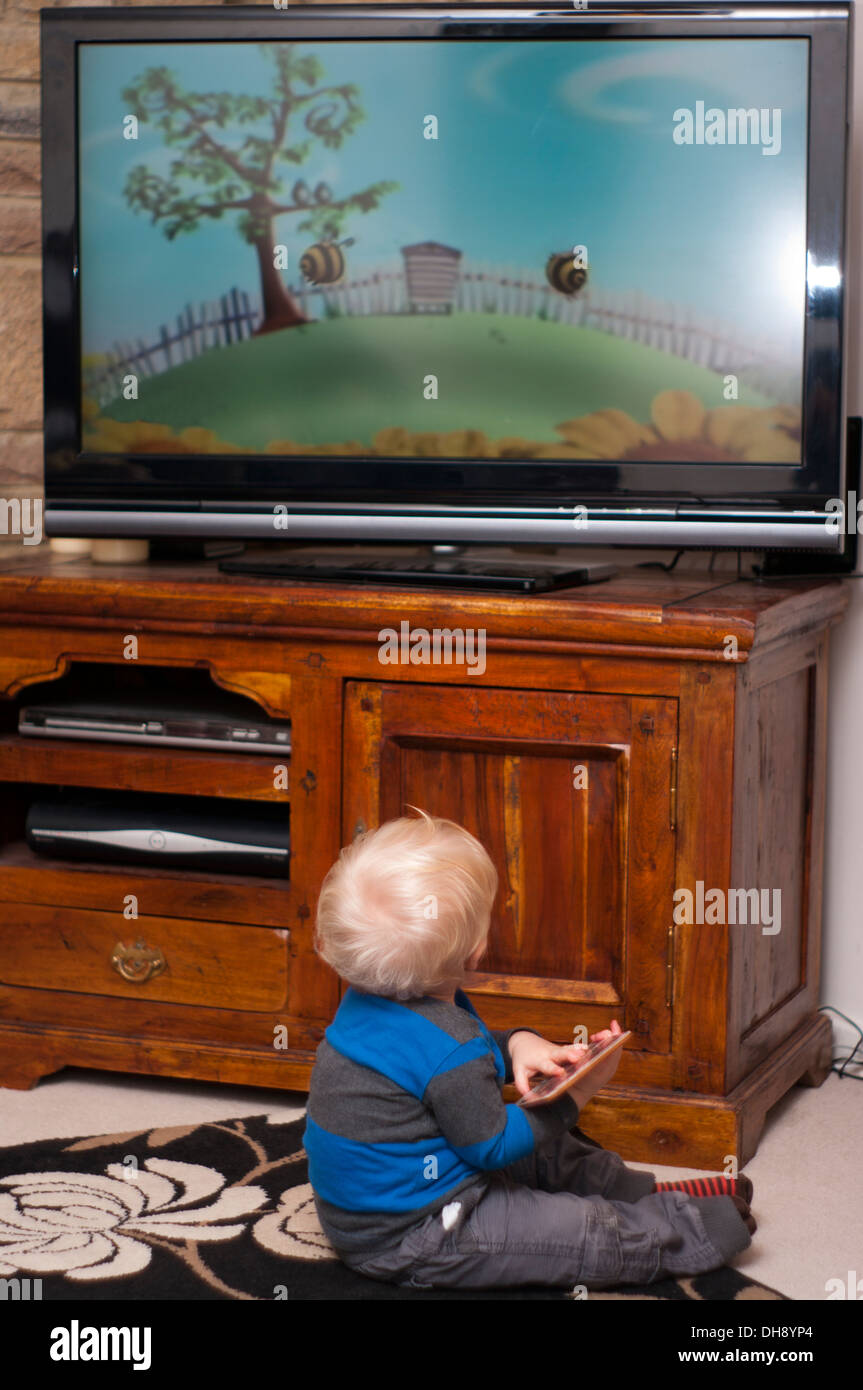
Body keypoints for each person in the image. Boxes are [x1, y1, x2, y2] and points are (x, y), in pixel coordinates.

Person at [303, 809, 755, 1291]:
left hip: (386, 1202)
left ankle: (642, 1193)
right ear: (475, 950)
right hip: (419, 1233)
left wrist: (519, 1043)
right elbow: (492, 1145)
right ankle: (691, 1229)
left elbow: (451, 1065)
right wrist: (576, 1096)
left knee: (549, 1153)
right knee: (574, 1232)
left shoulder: (374, 999)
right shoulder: (446, 1044)